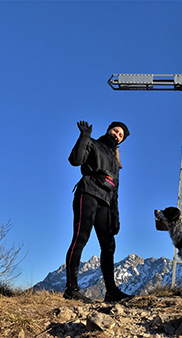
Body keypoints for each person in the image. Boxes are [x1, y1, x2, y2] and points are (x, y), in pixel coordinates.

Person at [64, 120, 132, 303]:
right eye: (115, 130)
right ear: (109, 130)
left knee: (109, 246)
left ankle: (111, 292)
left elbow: (115, 191)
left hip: (106, 203)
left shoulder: (115, 162)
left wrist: (115, 216)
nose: (117, 134)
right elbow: (75, 161)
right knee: (80, 237)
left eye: (120, 135)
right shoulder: (93, 143)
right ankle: (71, 289)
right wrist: (84, 136)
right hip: (87, 193)